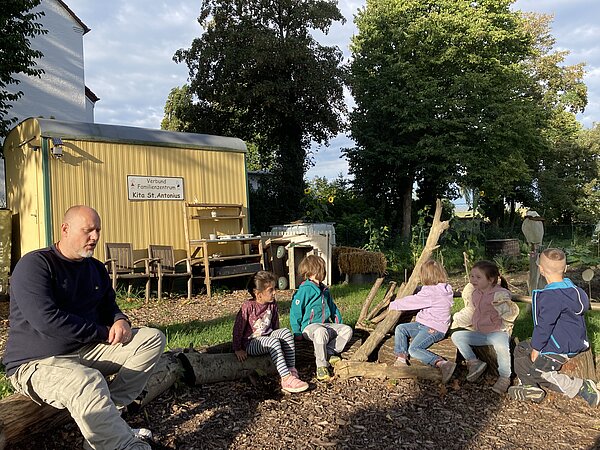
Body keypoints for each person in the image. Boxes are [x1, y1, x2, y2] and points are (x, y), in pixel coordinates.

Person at [3, 205, 166, 450]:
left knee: (151, 339)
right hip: (36, 361)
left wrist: (121, 320)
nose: (95, 237)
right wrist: (102, 333)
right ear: (65, 229)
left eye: (98, 230)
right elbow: (46, 320)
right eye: (88, 230)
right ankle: (127, 445)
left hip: (86, 349)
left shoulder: (96, 268)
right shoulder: (35, 265)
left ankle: (109, 422)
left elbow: (109, 307)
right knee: (86, 380)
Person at [508, 248, 600, 407]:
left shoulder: (550, 297)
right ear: (565, 268)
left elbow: (544, 327)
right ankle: (528, 386)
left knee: (541, 373)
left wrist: (537, 348)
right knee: (521, 348)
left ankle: (582, 387)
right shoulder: (576, 291)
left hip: (558, 346)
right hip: (571, 340)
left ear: (541, 270)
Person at [232, 271, 308, 393]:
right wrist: (237, 348)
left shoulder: (272, 304)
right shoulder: (248, 306)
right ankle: (286, 379)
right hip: (252, 342)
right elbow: (238, 329)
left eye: (275, 288)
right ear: (258, 294)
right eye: (270, 290)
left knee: (286, 333)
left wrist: (281, 342)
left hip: (268, 336)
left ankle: (291, 370)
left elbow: (275, 324)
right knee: (273, 342)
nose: (275, 292)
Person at [450, 260, 519, 394]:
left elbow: (509, 309)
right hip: (481, 333)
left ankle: (505, 377)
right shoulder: (475, 293)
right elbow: (473, 310)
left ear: (491, 279)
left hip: (498, 331)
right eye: (472, 276)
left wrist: (505, 322)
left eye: (478, 277)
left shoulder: (499, 294)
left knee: (501, 347)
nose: (473, 280)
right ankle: (474, 362)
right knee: (457, 336)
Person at [388, 259, 456, 383]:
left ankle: (442, 363)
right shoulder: (443, 288)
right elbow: (425, 292)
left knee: (414, 349)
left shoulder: (431, 293)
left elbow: (412, 302)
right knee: (401, 328)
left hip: (434, 328)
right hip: (424, 324)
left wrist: (393, 305)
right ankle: (401, 358)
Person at [290, 254, 353, 382]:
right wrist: (297, 331)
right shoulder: (305, 290)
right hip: (310, 327)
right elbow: (295, 311)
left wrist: (339, 323)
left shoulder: (324, 290)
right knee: (320, 332)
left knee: (347, 330)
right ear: (314, 271)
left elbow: (333, 308)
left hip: (325, 325)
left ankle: (329, 352)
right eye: (322, 269)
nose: (324, 272)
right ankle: (321, 366)